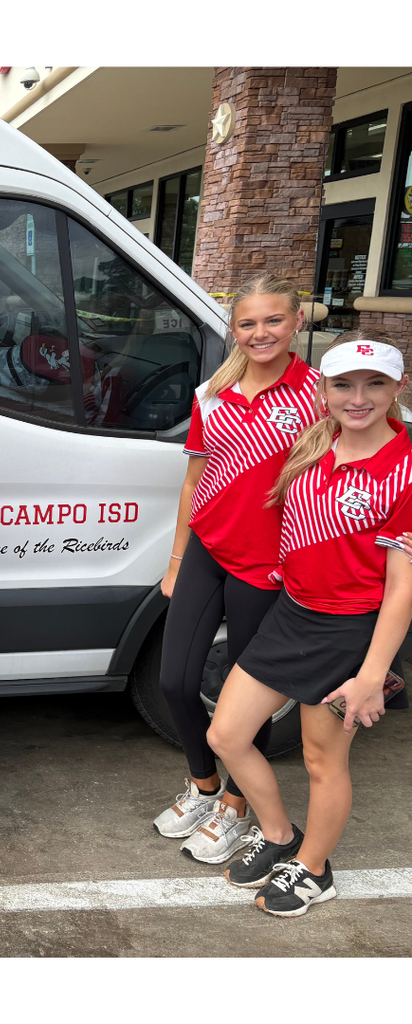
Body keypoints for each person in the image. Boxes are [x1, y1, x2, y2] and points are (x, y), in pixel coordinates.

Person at [208, 330, 412, 916]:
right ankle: (278, 836)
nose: (359, 397)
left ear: (398, 387)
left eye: (375, 383)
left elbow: (402, 588)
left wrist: (372, 676)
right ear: (323, 390)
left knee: (324, 761)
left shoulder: (403, 468)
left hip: (350, 630)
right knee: (225, 734)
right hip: (291, 614)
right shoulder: (312, 445)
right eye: (344, 383)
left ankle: (314, 869)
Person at [153, 274, 320, 865]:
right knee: (176, 680)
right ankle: (202, 785)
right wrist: (176, 557)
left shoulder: (322, 395)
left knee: (246, 700)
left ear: (297, 322)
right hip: (207, 551)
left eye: (272, 320)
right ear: (234, 329)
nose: (260, 333)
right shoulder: (212, 394)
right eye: (247, 323)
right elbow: (195, 480)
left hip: (270, 569)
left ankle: (235, 802)